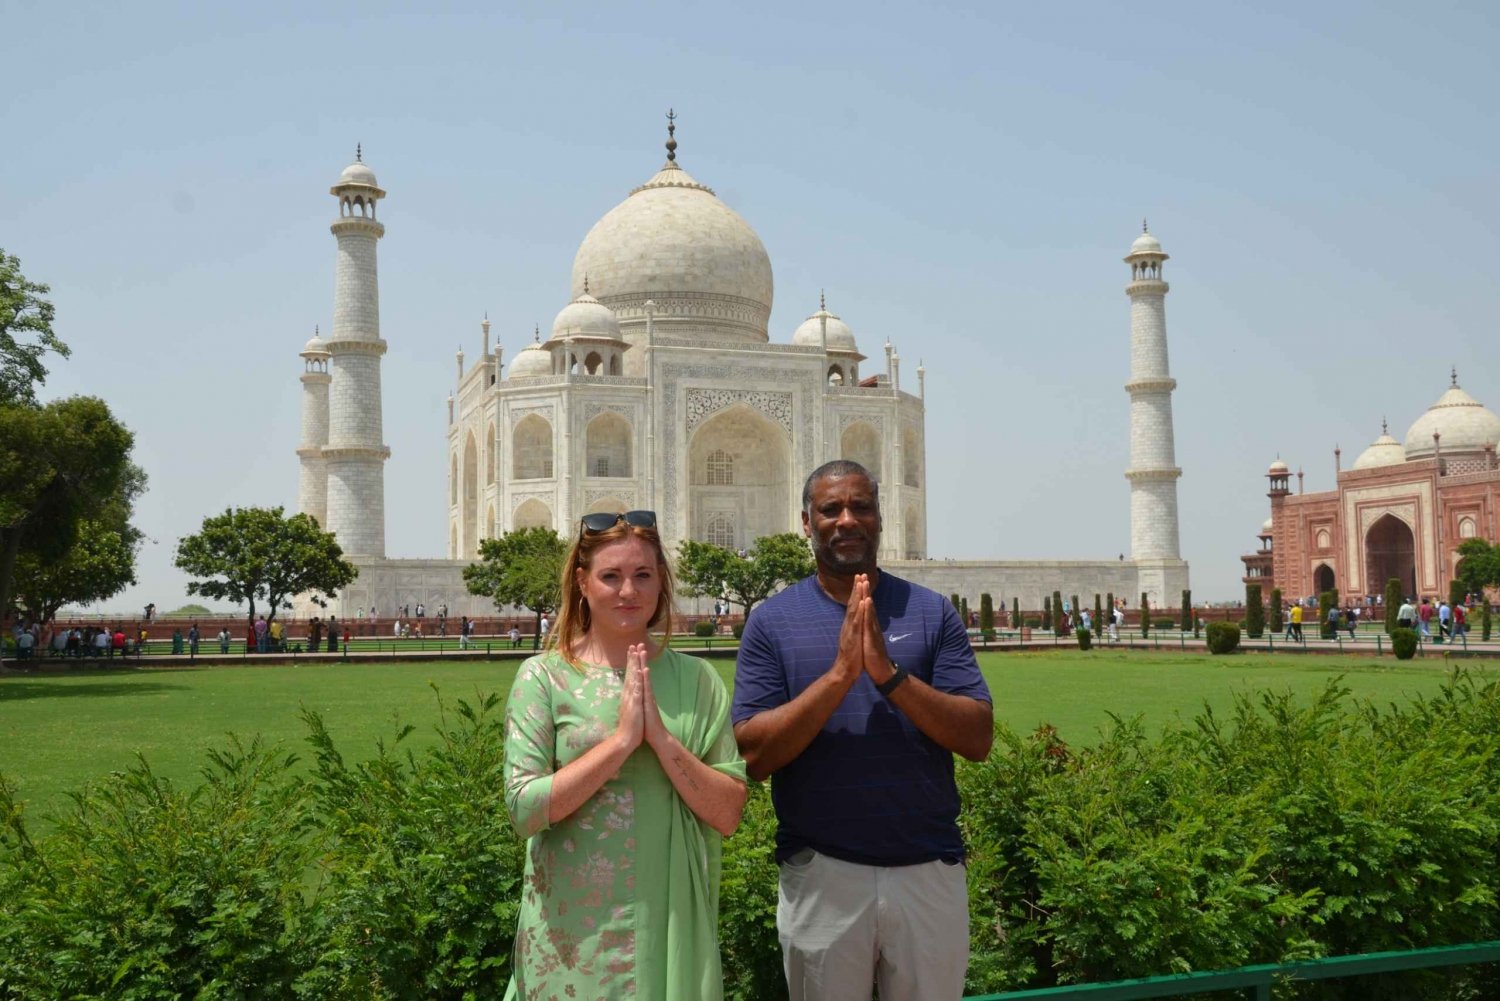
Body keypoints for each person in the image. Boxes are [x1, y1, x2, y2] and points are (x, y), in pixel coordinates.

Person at [733, 461, 994, 1000]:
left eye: (861, 507)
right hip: (824, 874)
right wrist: (838, 677)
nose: (847, 520)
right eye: (831, 509)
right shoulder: (773, 621)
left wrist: (888, 675)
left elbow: (977, 737)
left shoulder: (929, 613)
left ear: (880, 518)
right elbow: (754, 756)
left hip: (926, 871)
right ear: (807, 522)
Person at [502, 508, 747, 999]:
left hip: (667, 918)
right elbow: (524, 809)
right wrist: (620, 743)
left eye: (642, 575)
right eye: (610, 576)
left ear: (661, 583)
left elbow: (728, 812)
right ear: (583, 583)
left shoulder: (695, 680)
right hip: (572, 931)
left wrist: (661, 739)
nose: (628, 591)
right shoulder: (544, 677)